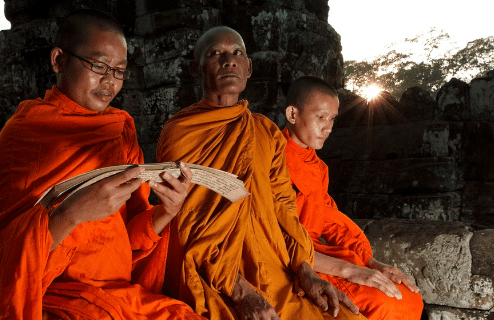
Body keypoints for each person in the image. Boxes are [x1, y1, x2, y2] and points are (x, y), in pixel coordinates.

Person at [0, 9, 203, 320]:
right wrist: (72, 212)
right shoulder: (25, 136)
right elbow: (9, 252)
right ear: (59, 60)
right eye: (99, 65)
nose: (109, 82)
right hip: (56, 298)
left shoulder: (119, 130)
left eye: (119, 71)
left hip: (121, 295)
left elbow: (131, 236)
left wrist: (166, 210)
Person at [156, 26, 365, 320]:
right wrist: (240, 291)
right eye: (216, 53)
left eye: (237, 53)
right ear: (196, 69)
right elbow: (191, 222)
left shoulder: (265, 131)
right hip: (219, 274)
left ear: (249, 68)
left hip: (277, 264)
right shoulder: (182, 133)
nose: (229, 60)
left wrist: (306, 270)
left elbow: (284, 207)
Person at [281, 76, 424, 320]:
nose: (328, 128)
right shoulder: (272, 157)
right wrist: (347, 270)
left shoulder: (318, 168)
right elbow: (270, 233)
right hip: (292, 259)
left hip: (318, 254)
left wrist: (371, 262)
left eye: (332, 119)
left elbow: (332, 220)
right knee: (386, 305)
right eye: (320, 117)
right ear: (293, 114)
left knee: (410, 299)